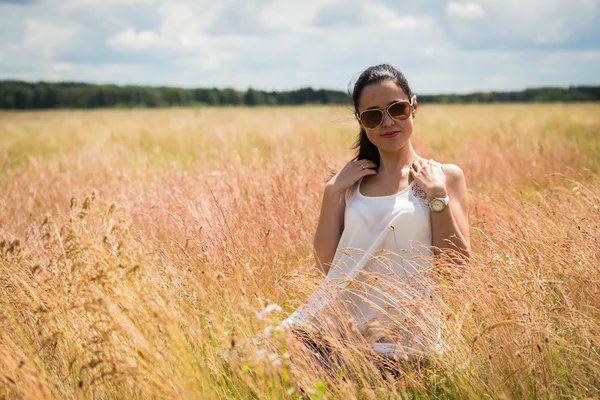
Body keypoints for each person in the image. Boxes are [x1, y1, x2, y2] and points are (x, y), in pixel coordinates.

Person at [281, 64, 471, 371]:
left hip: (402, 338)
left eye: (397, 109)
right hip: (332, 325)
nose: (387, 122)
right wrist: (331, 194)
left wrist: (437, 197)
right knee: (250, 362)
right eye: (373, 115)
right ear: (361, 121)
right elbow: (326, 266)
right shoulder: (350, 183)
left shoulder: (444, 177)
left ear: (414, 107)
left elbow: (457, 268)